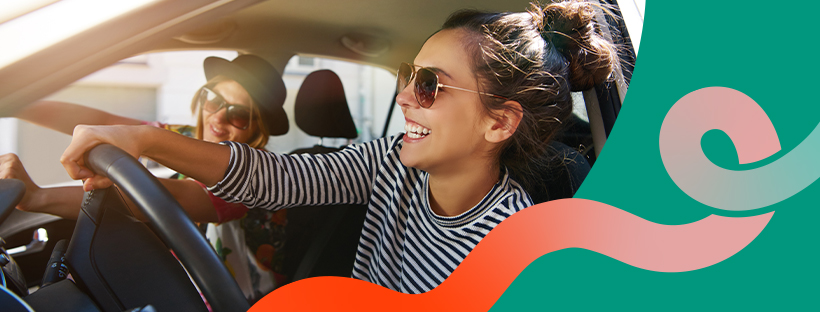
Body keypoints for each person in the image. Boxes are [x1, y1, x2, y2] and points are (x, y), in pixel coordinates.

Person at [59, 0, 619, 294]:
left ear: (499, 122)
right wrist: (138, 138)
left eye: (429, 85)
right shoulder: (388, 162)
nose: (404, 98)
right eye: (407, 75)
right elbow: (274, 178)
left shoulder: (518, 252)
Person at [1, 54, 291, 301]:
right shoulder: (186, 136)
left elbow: (168, 199)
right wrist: (19, 103)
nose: (217, 119)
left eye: (238, 114)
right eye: (213, 99)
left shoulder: (256, 176)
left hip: (235, 301)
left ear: (256, 130)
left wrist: (37, 196)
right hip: (186, 282)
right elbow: (105, 125)